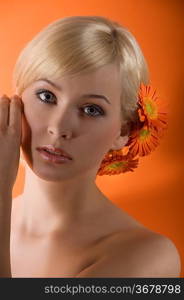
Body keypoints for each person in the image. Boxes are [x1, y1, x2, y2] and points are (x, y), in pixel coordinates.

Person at [0, 15, 181, 278]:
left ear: (123, 131)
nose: (59, 127)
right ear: (17, 99)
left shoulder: (148, 256)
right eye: (46, 96)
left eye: (91, 109)